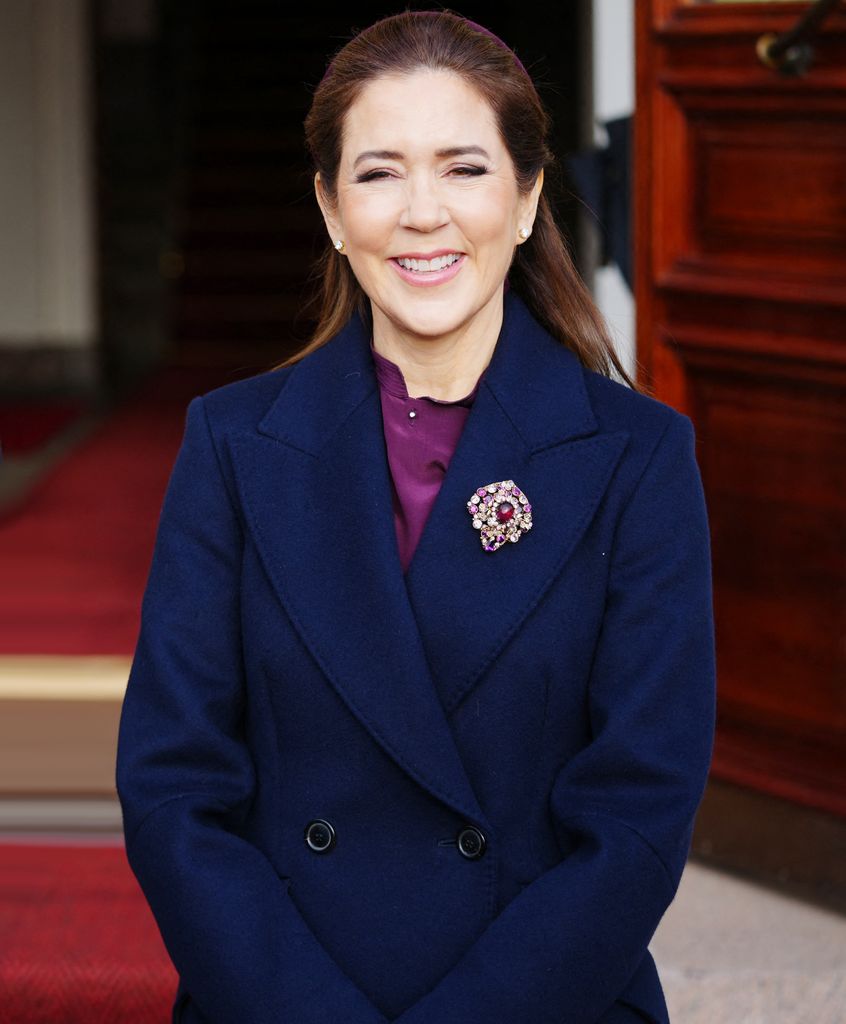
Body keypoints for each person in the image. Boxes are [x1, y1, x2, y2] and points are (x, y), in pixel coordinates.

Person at [115, 10, 716, 1024]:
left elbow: (637, 815)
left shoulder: (640, 458)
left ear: (527, 198)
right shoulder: (229, 444)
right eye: (381, 171)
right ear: (331, 207)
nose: (423, 212)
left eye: (465, 169)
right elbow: (173, 787)